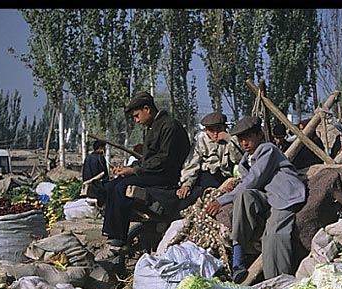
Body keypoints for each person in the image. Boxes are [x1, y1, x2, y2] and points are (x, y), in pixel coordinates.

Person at [205, 116, 306, 283]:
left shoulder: (268, 150)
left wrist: (222, 200)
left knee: (274, 234)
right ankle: (238, 260)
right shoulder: (246, 161)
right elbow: (248, 184)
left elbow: (255, 178)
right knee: (244, 196)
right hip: (266, 196)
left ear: (259, 135)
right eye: (241, 139)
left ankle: (278, 282)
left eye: (249, 137)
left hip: (283, 195)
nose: (245, 143)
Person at [100, 91, 190, 257]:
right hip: (153, 172)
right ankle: (111, 232)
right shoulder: (154, 127)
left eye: (137, 115)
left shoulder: (169, 126)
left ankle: (119, 238)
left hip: (165, 176)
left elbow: (164, 159)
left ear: (147, 109)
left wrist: (135, 170)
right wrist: (129, 168)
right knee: (113, 184)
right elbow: (148, 159)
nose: (136, 120)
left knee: (122, 187)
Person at [175, 111, 243, 210]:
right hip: (205, 180)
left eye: (219, 129)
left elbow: (239, 159)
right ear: (206, 130)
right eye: (211, 130)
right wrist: (187, 184)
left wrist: (228, 139)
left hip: (225, 180)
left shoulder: (232, 141)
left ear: (224, 128)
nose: (215, 134)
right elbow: (192, 164)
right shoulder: (201, 143)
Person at [81, 139, 110, 207]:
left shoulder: (88, 157)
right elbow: (104, 174)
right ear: (101, 148)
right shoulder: (100, 157)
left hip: (88, 185)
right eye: (104, 148)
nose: (105, 150)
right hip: (97, 186)